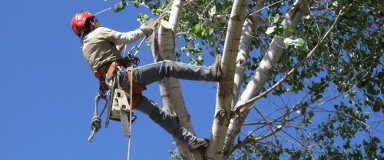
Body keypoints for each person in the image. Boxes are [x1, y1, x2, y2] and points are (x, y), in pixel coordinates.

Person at [70, 12, 221, 151]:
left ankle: (191, 141)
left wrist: (118, 49)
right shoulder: (99, 32)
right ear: (89, 24)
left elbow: (105, 56)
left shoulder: (85, 47)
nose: (98, 22)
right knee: (166, 67)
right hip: (123, 79)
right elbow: (125, 38)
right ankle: (211, 74)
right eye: (95, 21)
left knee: (156, 113)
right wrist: (143, 30)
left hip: (118, 92)